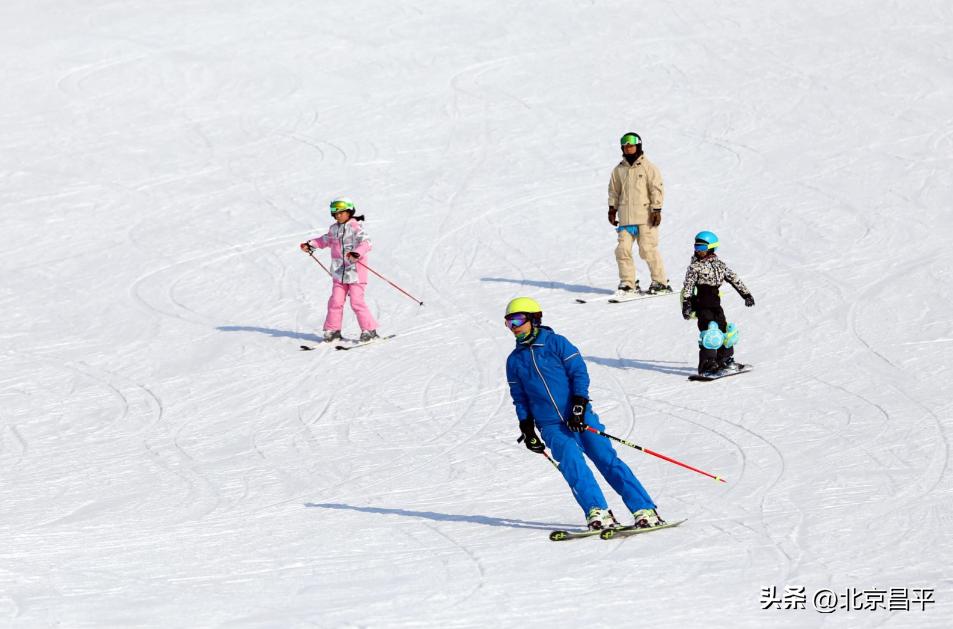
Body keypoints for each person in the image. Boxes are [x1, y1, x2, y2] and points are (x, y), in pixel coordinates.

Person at [503, 296, 663, 531]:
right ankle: (597, 511)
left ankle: (644, 509)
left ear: (534, 319)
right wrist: (527, 427)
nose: (513, 328)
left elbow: (579, 373)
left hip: (579, 416)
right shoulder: (514, 360)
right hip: (550, 425)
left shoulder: (557, 343)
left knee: (606, 459)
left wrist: (578, 406)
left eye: (517, 320)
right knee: (573, 466)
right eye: (508, 323)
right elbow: (520, 397)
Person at [300, 197, 379, 343]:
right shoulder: (333, 229)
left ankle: (369, 330)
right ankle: (333, 330)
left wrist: (357, 253)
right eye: (335, 213)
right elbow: (325, 240)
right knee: (335, 301)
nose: (338, 216)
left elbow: (367, 243)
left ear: (349, 212)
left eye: (341, 213)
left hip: (356, 272)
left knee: (356, 302)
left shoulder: (356, 228)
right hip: (338, 273)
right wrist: (310, 244)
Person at [607, 132, 672, 298]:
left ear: (638, 146)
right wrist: (612, 209)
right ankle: (628, 283)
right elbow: (614, 191)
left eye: (631, 145)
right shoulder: (619, 170)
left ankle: (660, 282)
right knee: (622, 250)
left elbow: (656, 189)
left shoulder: (648, 167)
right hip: (626, 218)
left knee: (647, 249)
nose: (628, 148)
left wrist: (656, 210)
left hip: (645, 217)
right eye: (625, 145)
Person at [680, 231, 755, 374]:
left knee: (725, 333)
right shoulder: (694, 267)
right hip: (702, 306)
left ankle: (724, 361)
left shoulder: (720, 265)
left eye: (701, 248)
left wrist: (746, 294)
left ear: (711, 248)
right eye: (696, 247)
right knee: (709, 334)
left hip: (716, 306)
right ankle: (707, 364)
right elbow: (688, 286)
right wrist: (687, 304)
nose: (698, 251)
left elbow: (734, 278)